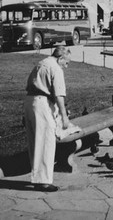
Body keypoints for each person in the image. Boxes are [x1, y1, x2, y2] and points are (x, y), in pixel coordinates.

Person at [24, 46, 71, 191]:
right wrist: (64, 116)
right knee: (46, 142)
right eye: (66, 62)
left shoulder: (41, 63)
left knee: (35, 141)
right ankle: (43, 182)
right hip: (42, 104)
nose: (67, 66)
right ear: (60, 58)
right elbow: (59, 95)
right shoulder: (55, 68)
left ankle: (37, 178)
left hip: (29, 102)